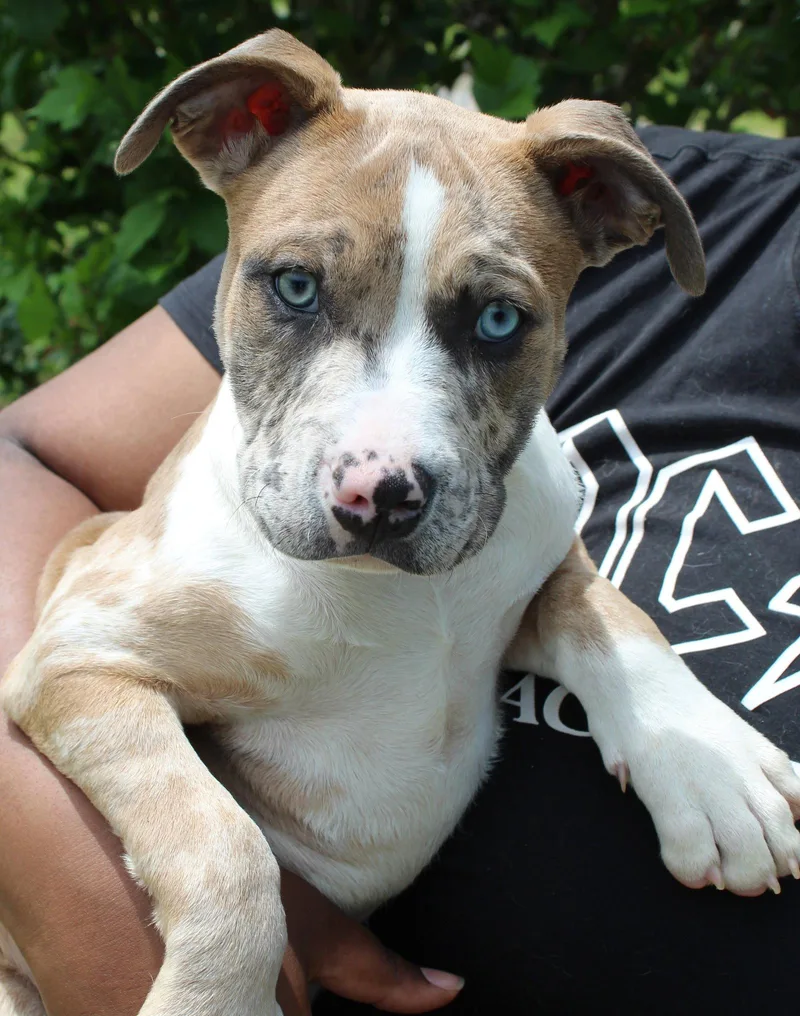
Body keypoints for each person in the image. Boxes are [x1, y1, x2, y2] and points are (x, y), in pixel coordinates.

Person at [1, 122, 798, 1016]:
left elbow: (528, 585)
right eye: (298, 289)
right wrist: (218, 906)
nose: (377, 475)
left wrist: (639, 680)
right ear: (230, 127)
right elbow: (64, 667)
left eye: (495, 320)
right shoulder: (216, 541)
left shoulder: (535, 508)